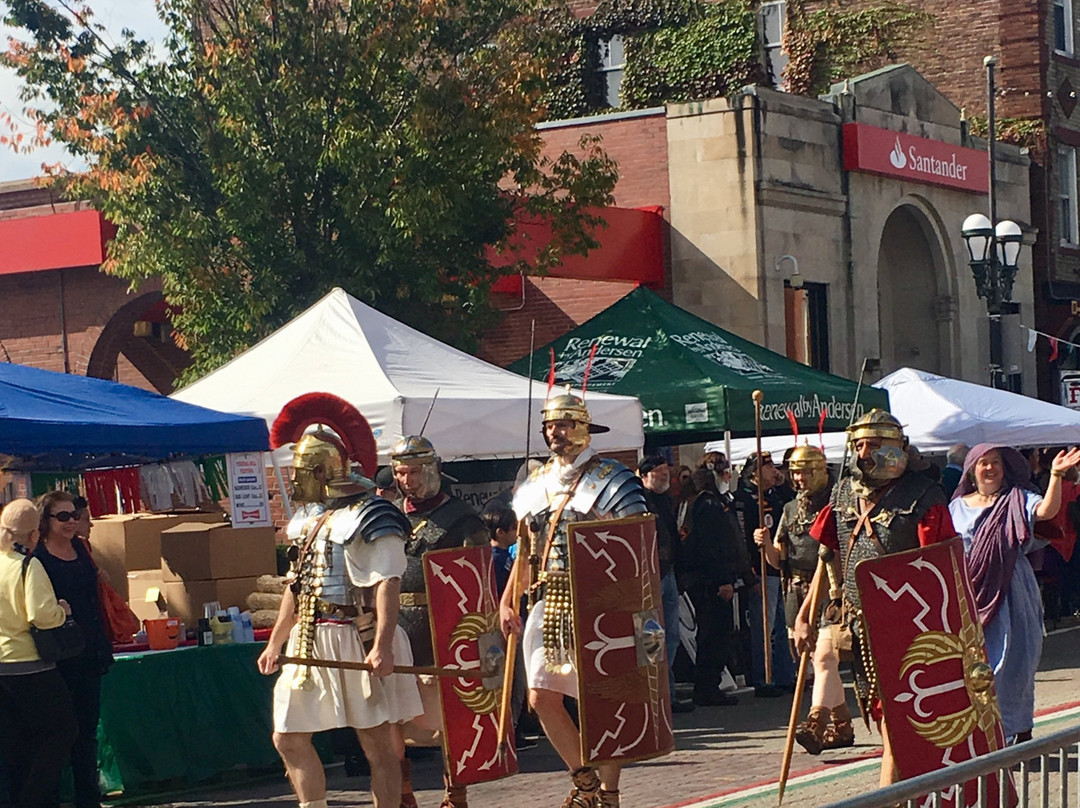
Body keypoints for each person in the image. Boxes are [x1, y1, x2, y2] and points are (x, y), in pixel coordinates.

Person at [257, 398, 422, 808]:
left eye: (299, 471)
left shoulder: (371, 514)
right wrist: (276, 642)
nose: (293, 480)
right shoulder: (308, 519)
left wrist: (382, 645)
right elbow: (296, 588)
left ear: (320, 470)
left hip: (357, 634)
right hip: (310, 636)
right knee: (287, 738)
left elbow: (387, 583)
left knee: (378, 744)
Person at [500, 391, 648, 808]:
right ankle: (586, 783)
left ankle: (611, 793)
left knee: (602, 699)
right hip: (549, 600)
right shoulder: (536, 484)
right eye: (550, 425)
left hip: (598, 602)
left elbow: (633, 547)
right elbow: (528, 550)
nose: (555, 433)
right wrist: (509, 599)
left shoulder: (613, 479)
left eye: (564, 424)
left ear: (584, 427)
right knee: (541, 698)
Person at [795, 409, 956, 787]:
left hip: (910, 630)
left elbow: (939, 569)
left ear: (896, 449)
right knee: (884, 719)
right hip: (860, 625)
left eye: (873, 444)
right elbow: (825, 559)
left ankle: (891, 795)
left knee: (903, 720)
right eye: (858, 444)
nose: (864, 453)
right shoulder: (843, 496)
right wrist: (805, 615)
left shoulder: (923, 497)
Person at [948, 443, 1080, 744]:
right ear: (972, 470)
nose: (990, 468)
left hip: (1013, 589)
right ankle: (983, 735)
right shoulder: (956, 507)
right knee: (976, 666)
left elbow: (1046, 510)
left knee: (1015, 663)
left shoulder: (1016, 499)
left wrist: (1056, 476)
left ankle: (1016, 732)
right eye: (983, 463)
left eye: (995, 462)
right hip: (971, 591)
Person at [389, 435, 489, 808]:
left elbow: (475, 583)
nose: (407, 480)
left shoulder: (462, 519)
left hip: (443, 628)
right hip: (397, 627)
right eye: (401, 472)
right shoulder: (388, 517)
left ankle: (455, 794)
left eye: (414, 471)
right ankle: (402, 793)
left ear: (432, 470)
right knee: (394, 719)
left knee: (449, 719)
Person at [754, 445, 853, 754]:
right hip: (796, 592)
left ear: (820, 471)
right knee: (817, 661)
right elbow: (778, 560)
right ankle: (844, 726)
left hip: (831, 590)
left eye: (804, 471)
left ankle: (816, 723)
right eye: (795, 472)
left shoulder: (838, 506)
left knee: (824, 657)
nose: (798, 478)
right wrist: (765, 544)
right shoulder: (789, 510)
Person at [34, 491, 113, 808]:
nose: (71, 522)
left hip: (89, 649)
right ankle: (51, 798)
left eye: (73, 515)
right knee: (58, 733)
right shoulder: (37, 557)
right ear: (46, 520)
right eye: (62, 516)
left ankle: (88, 798)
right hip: (57, 654)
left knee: (86, 731)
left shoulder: (81, 548)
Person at [0, 498, 78, 808]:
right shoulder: (28, 566)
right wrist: (61, 610)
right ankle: (31, 800)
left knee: (15, 739)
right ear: (34, 534)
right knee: (63, 731)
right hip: (30, 664)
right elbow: (41, 615)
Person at [681, 467, 751, 707]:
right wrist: (724, 579)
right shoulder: (708, 507)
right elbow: (715, 546)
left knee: (714, 635)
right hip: (712, 582)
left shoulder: (698, 505)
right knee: (714, 635)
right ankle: (707, 687)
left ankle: (709, 685)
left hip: (706, 580)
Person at [733, 451, 795, 697]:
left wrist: (782, 482)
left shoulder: (777, 495)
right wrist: (747, 570)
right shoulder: (745, 498)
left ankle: (784, 674)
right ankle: (763, 678)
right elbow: (740, 535)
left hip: (780, 568)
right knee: (764, 627)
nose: (773, 471)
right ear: (754, 472)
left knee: (783, 625)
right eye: (768, 468)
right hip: (760, 569)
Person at [637, 454, 694, 714]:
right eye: (658, 471)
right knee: (651, 635)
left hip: (669, 573)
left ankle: (666, 691)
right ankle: (654, 692)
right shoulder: (637, 502)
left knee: (670, 636)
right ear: (644, 474)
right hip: (650, 576)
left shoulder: (665, 501)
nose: (664, 476)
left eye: (665, 471)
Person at [481, 504, 534, 751]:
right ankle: (510, 728)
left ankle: (513, 726)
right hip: (506, 625)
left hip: (512, 621)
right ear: (500, 532)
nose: (515, 534)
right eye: (512, 529)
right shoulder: (496, 560)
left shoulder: (499, 558)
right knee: (512, 679)